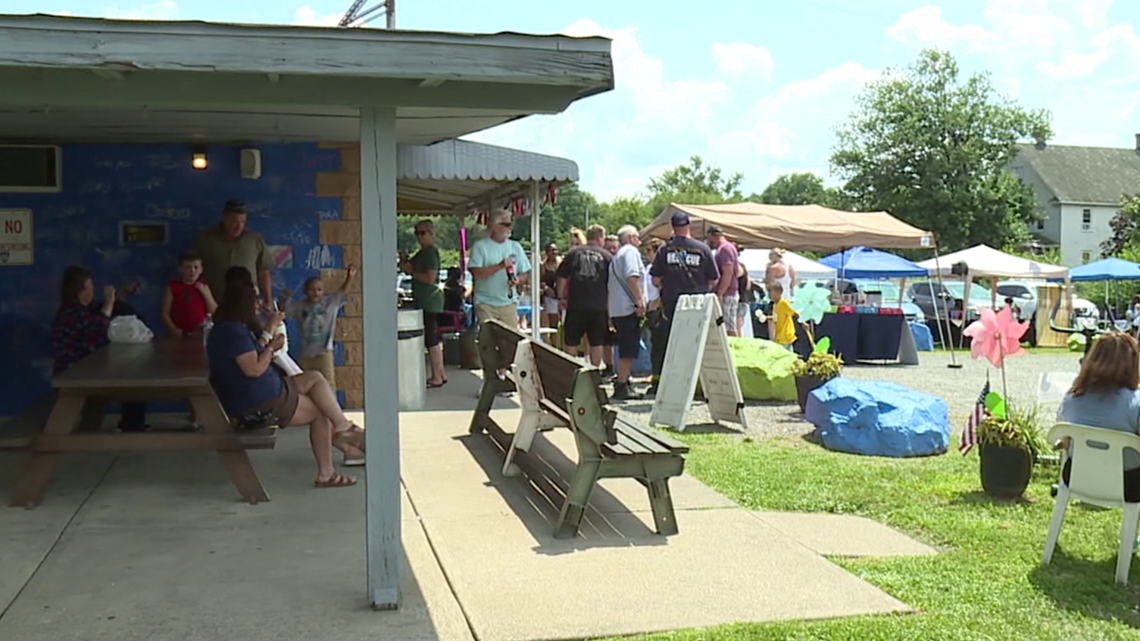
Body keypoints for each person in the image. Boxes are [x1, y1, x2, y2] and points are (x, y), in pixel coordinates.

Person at [208, 277, 366, 487]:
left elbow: (251, 354)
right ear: (242, 303)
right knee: (320, 412)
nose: (258, 304)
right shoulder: (233, 332)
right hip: (258, 400)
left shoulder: (228, 326)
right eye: (254, 300)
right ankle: (328, 470)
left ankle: (342, 427)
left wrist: (269, 334)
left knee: (315, 378)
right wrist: (271, 348)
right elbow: (254, 369)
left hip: (262, 389)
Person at [52, 266, 147, 432]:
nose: (93, 290)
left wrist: (122, 294)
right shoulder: (70, 313)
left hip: (90, 368)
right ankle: (132, 428)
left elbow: (106, 308)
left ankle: (130, 425)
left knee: (134, 378)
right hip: (75, 371)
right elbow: (100, 324)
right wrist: (110, 301)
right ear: (81, 290)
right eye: (91, 287)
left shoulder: (84, 309)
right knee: (134, 385)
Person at [1057, 331, 1140, 501]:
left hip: (1076, 477)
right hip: (1127, 485)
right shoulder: (1136, 401)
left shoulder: (1071, 398)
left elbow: (1064, 439)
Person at [647, 211, 719, 396]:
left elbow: (655, 279)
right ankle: (700, 386)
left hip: (672, 304)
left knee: (670, 344)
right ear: (689, 226)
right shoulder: (702, 249)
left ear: (673, 227)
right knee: (697, 345)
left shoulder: (665, 250)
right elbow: (713, 279)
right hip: (697, 305)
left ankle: (669, 384)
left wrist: (667, 283)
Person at [281, 265, 356, 391]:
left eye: (319, 289)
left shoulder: (329, 303)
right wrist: (285, 298)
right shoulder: (299, 306)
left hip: (324, 352)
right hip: (306, 353)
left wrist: (350, 277)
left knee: (328, 383)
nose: (315, 292)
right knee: (303, 383)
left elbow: (342, 291)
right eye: (311, 289)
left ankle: (331, 408)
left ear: (324, 291)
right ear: (305, 291)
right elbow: (284, 310)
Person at [194, 199, 274, 306]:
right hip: (214, 304)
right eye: (234, 222)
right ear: (224, 218)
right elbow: (194, 269)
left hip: (247, 305)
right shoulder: (206, 239)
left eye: (243, 222)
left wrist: (269, 301)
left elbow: (263, 272)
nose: (239, 226)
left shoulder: (254, 239)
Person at [400, 219, 447, 388]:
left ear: (431, 234)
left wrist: (412, 272)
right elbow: (407, 267)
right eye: (417, 233)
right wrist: (404, 259)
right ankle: (440, 373)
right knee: (433, 338)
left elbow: (429, 278)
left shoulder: (430, 253)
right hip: (425, 300)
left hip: (430, 301)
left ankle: (436, 376)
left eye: (423, 233)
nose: (419, 237)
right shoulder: (422, 253)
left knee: (431, 339)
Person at [468, 209, 531, 330]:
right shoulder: (480, 246)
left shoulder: (515, 246)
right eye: (506, 224)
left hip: (509, 303)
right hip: (485, 303)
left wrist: (518, 280)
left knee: (510, 341)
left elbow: (525, 273)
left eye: (510, 224)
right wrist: (499, 266)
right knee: (488, 342)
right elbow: (476, 273)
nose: (510, 227)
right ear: (495, 226)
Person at [557, 224, 610, 367]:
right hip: (598, 306)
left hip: (576, 305)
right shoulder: (606, 256)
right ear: (600, 237)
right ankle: (594, 375)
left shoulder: (573, 253)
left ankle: (570, 372)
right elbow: (611, 285)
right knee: (596, 342)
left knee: (571, 340)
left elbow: (562, 277)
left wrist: (561, 298)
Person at [608, 225, 646, 400]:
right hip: (628, 307)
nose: (639, 241)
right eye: (637, 237)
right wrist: (639, 301)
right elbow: (632, 276)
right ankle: (622, 385)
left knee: (624, 347)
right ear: (630, 238)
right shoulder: (630, 252)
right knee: (628, 349)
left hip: (617, 308)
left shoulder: (617, 256)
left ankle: (623, 380)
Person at [161, 250, 218, 337]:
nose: (192, 271)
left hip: (200, 333)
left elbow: (214, 311)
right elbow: (165, 313)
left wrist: (204, 293)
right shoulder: (173, 287)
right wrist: (173, 329)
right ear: (180, 269)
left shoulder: (204, 287)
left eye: (196, 267)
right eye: (188, 267)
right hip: (180, 334)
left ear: (201, 270)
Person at [706, 226, 741, 337]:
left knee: (728, 326)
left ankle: (734, 351)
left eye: (709, 238)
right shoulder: (724, 249)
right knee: (725, 325)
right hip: (727, 292)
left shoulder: (725, 249)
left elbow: (728, 272)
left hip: (728, 293)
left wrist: (721, 292)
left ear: (713, 236)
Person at [765, 248, 796, 338]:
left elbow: (770, 284)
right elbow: (792, 284)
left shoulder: (773, 268)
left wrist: (766, 272)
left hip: (777, 299)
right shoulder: (790, 267)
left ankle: (774, 342)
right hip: (788, 298)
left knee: (773, 322)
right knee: (786, 323)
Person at [768, 282, 797, 350]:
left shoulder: (784, 303)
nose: (770, 295)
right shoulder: (775, 305)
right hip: (779, 336)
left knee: (786, 356)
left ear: (779, 292)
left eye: (772, 292)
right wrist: (766, 318)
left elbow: (795, 312)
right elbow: (776, 318)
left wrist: (804, 323)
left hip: (786, 335)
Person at [540, 243, 562, 330]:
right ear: (546, 252)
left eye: (556, 250)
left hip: (560, 296)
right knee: (552, 324)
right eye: (551, 250)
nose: (554, 252)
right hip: (549, 298)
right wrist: (546, 288)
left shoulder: (561, 263)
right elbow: (540, 280)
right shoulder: (543, 266)